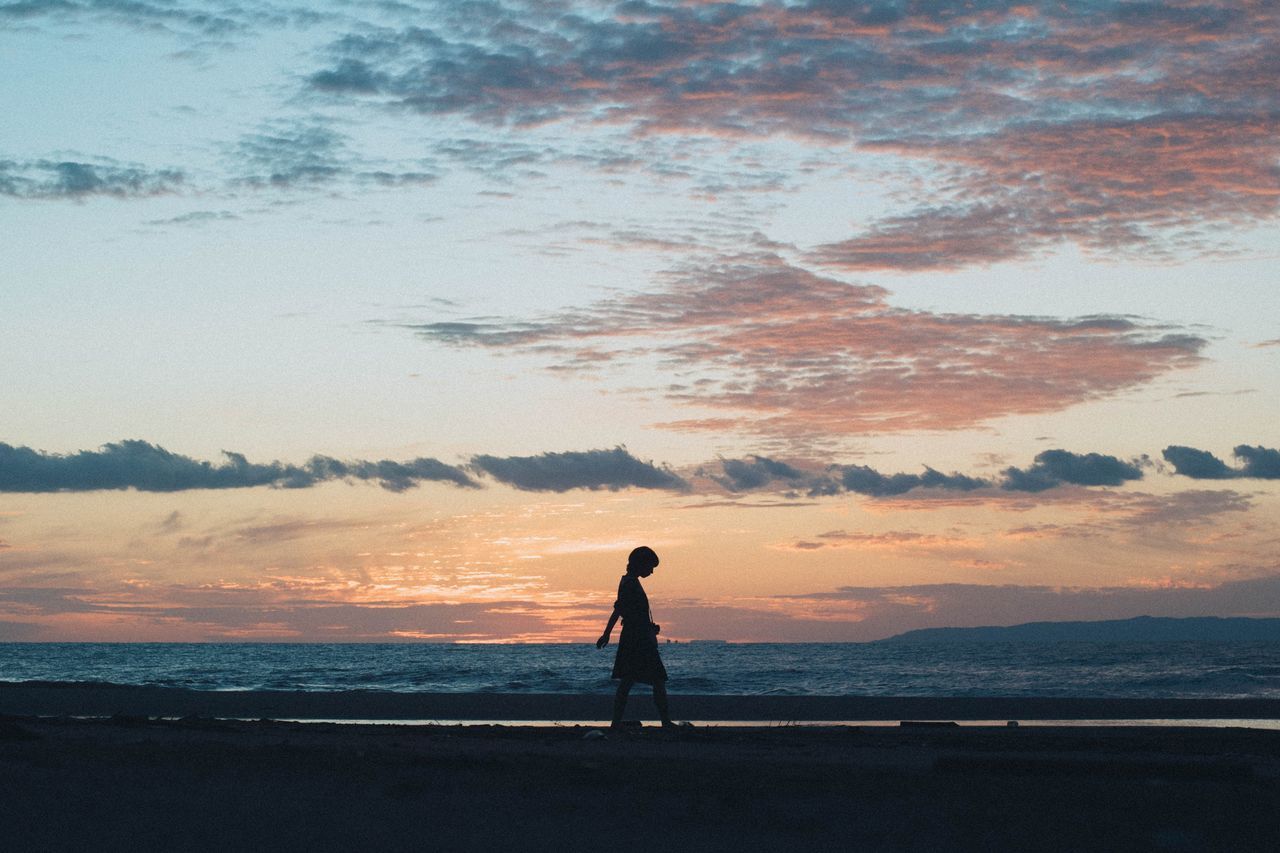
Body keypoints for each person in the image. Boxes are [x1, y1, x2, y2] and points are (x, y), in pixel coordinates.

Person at [596, 545, 676, 728]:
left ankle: (617, 723)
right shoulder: (630, 583)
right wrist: (606, 633)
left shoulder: (629, 582)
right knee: (656, 679)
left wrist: (649, 626)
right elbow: (619, 610)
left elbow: (627, 611)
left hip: (636, 636)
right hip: (637, 639)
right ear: (641, 564)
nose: (652, 571)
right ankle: (664, 721)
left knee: (629, 680)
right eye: (651, 567)